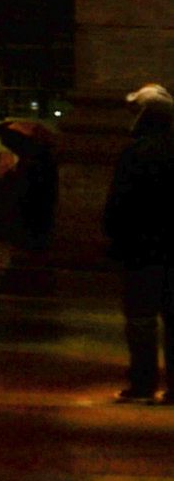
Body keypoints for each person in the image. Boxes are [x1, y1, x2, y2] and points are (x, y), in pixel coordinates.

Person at [104, 83, 174, 402]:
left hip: (140, 250)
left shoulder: (135, 153)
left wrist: (114, 236)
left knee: (141, 320)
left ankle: (143, 383)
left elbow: (120, 203)